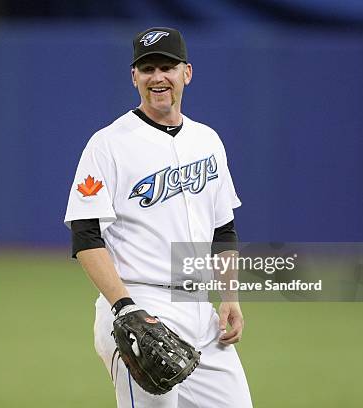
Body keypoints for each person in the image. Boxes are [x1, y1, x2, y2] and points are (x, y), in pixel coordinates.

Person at [64, 27, 253, 407]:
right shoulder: (109, 144)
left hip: (202, 313)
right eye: (147, 68)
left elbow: (223, 229)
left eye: (167, 66)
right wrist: (124, 308)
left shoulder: (208, 140)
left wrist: (229, 296)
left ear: (187, 72)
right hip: (140, 305)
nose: (157, 77)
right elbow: (86, 237)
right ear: (134, 77)